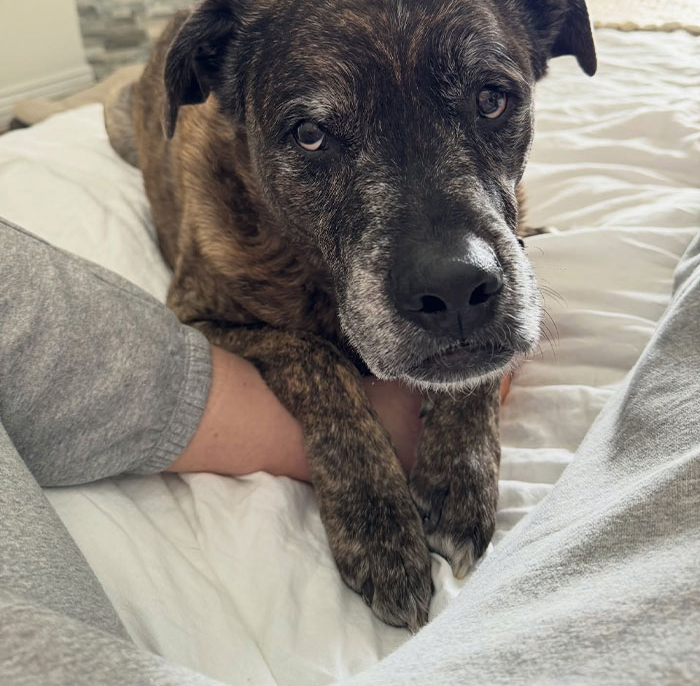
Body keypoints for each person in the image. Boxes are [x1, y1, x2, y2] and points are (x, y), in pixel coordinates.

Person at [1, 216, 699, 685]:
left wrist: (466, 398)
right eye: (314, 132)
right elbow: (200, 311)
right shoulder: (224, 208)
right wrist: (338, 421)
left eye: (490, 99)